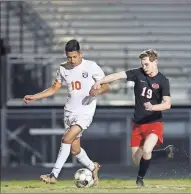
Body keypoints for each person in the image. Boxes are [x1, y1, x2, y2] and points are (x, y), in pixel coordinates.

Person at [23, 39, 109, 184]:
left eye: (75, 56)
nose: (72, 60)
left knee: (66, 139)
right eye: (69, 57)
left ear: (81, 53)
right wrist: (35, 97)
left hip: (85, 111)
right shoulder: (63, 68)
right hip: (69, 112)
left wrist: (98, 91)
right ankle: (92, 166)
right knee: (75, 150)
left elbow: (106, 86)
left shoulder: (91, 66)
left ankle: (53, 175)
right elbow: (54, 89)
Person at [93, 49, 175, 187]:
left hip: (154, 123)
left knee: (147, 150)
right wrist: (100, 81)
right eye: (143, 64)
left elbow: (167, 104)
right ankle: (163, 154)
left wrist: (153, 107)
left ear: (155, 62)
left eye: (147, 64)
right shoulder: (138, 73)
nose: (144, 67)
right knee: (138, 159)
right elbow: (118, 75)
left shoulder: (163, 81)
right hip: (138, 124)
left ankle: (139, 180)